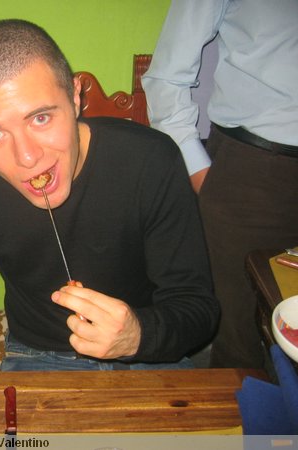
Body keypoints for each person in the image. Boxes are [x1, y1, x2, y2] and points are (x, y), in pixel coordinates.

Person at [0, 19, 220, 395]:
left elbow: (198, 307)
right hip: (37, 355)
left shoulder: (152, 160)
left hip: (150, 355)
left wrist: (138, 335)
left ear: (76, 95)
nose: (27, 158)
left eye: (40, 118)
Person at [142, 0, 298, 368]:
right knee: (243, 348)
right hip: (257, 171)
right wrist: (200, 173)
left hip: (257, 167)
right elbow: (166, 78)